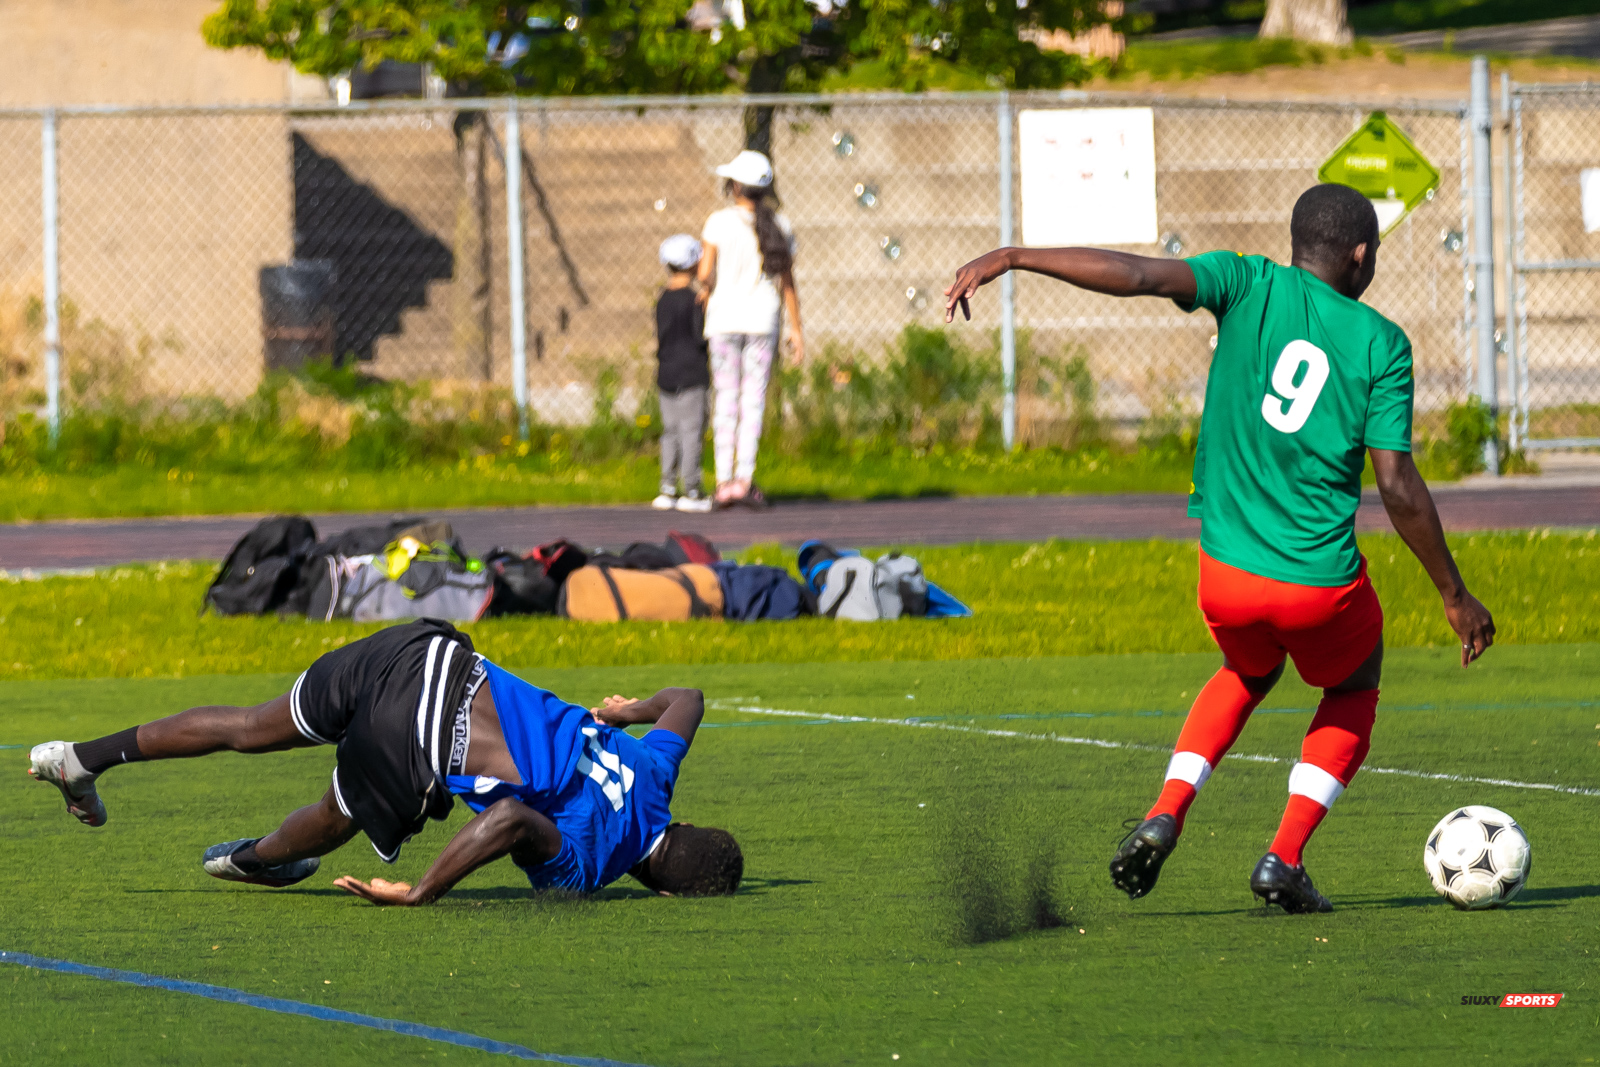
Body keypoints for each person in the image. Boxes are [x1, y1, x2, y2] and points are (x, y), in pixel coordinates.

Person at [943, 184, 1496, 914]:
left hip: (1225, 575)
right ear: (1361, 256)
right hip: (1314, 586)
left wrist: (1013, 256)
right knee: (1354, 681)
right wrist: (1455, 595)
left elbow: (1137, 274)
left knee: (1248, 666)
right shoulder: (1382, 342)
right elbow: (1396, 483)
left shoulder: (1245, 279)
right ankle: (1285, 856)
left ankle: (1168, 809)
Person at [27, 619, 743, 903]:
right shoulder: (589, 865)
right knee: (336, 817)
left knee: (249, 726)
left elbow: (691, 697)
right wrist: (421, 889)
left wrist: (629, 710)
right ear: (668, 891)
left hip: (428, 652)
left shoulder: (656, 771)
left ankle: (82, 757)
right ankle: (257, 858)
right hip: (421, 733)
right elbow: (511, 818)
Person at [698, 149, 804, 509]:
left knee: (726, 399)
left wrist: (706, 286)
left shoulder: (718, 222)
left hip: (724, 320)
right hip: (763, 320)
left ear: (734, 186)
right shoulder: (781, 226)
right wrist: (797, 330)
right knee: (753, 400)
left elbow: (704, 274)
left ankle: (723, 481)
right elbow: (787, 282)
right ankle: (745, 479)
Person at [653, 234, 713, 513]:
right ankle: (692, 488)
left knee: (671, 431)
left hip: (666, 372)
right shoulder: (695, 300)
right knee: (691, 431)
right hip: (691, 373)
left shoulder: (662, 300)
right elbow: (700, 336)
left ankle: (667, 487)